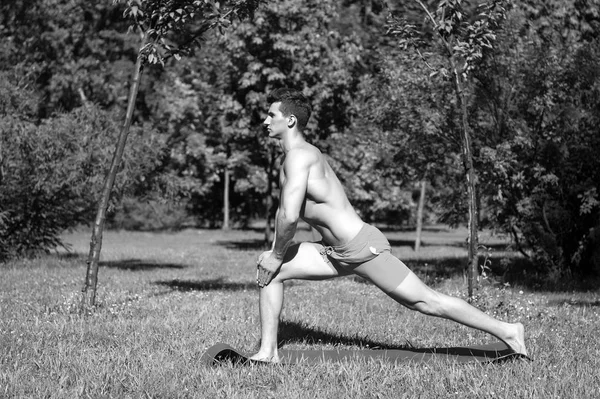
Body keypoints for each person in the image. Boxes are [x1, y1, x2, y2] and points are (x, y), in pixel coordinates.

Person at [251, 87, 527, 362]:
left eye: (271, 114)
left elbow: (288, 216)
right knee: (270, 272)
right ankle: (268, 352)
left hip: (360, 247)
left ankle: (508, 331)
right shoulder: (295, 157)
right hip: (332, 253)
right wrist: (274, 258)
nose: (265, 120)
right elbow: (292, 213)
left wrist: (278, 254)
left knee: (425, 302)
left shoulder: (300, 156)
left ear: (290, 120)